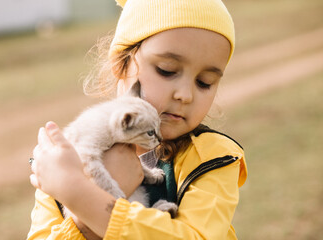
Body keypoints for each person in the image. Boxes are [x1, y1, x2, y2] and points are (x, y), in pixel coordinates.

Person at [27, 0, 248, 239]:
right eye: (167, 69)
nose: (185, 95)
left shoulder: (213, 158)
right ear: (121, 66)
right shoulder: (62, 163)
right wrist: (80, 221)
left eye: (204, 82)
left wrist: (82, 197)